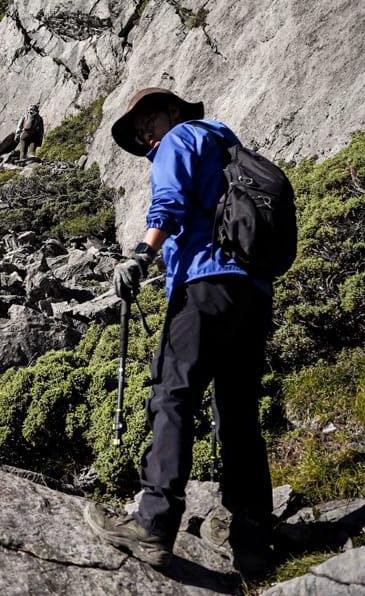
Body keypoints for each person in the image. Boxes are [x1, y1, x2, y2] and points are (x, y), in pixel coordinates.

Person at [83, 88, 275, 577]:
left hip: (202, 285)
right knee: (237, 411)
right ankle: (252, 540)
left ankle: (153, 521)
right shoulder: (225, 147)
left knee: (173, 397)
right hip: (251, 293)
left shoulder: (179, 139)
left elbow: (167, 202)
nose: (145, 134)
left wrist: (140, 256)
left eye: (147, 120)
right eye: (138, 131)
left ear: (171, 110)